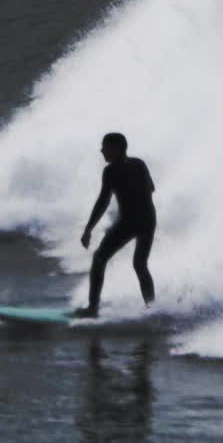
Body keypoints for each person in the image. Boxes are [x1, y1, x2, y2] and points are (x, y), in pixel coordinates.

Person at [74, 132, 156, 319]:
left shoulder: (111, 171)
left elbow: (103, 201)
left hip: (130, 221)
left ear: (117, 148)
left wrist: (88, 229)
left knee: (99, 258)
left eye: (105, 146)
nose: (102, 150)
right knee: (140, 264)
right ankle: (152, 309)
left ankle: (92, 309)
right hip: (149, 219)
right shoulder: (139, 163)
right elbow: (150, 189)